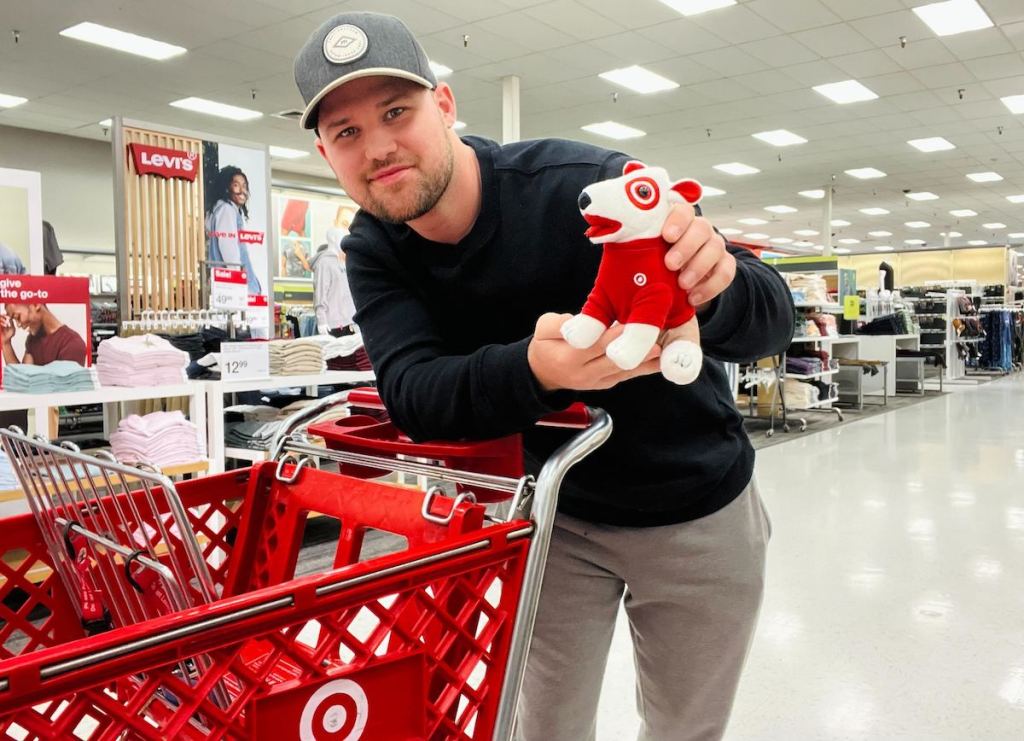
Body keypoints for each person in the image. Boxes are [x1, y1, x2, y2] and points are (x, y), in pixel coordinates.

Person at [294, 12, 794, 740]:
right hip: (555, 520)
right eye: (346, 133)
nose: (378, 147)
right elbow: (417, 394)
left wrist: (714, 287)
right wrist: (533, 367)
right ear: (325, 152)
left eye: (395, 111)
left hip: (700, 509)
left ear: (445, 105)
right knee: (543, 728)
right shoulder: (375, 249)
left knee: (686, 729)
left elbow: (771, 316)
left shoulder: (580, 187)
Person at [206, 166, 261, 294]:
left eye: (244, 186)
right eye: (236, 185)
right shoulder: (227, 210)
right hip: (233, 288)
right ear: (226, 188)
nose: (242, 190)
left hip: (226, 285)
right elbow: (229, 249)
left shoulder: (221, 210)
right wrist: (239, 281)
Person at [1, 303, 88, 366]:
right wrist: (6, 343)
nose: (18, 325)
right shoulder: (32, 340)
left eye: (17, 317)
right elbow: (23, 379)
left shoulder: (72, 343)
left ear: (35, 304)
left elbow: (64, 387)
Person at [311, 226, 356, 336]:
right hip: (333, 325)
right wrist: (322, 321)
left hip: (348, 322)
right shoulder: (324, 263)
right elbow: (320, 293)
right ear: (333, 239)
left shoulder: (341, 262)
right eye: (342, 237)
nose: (345, 241)